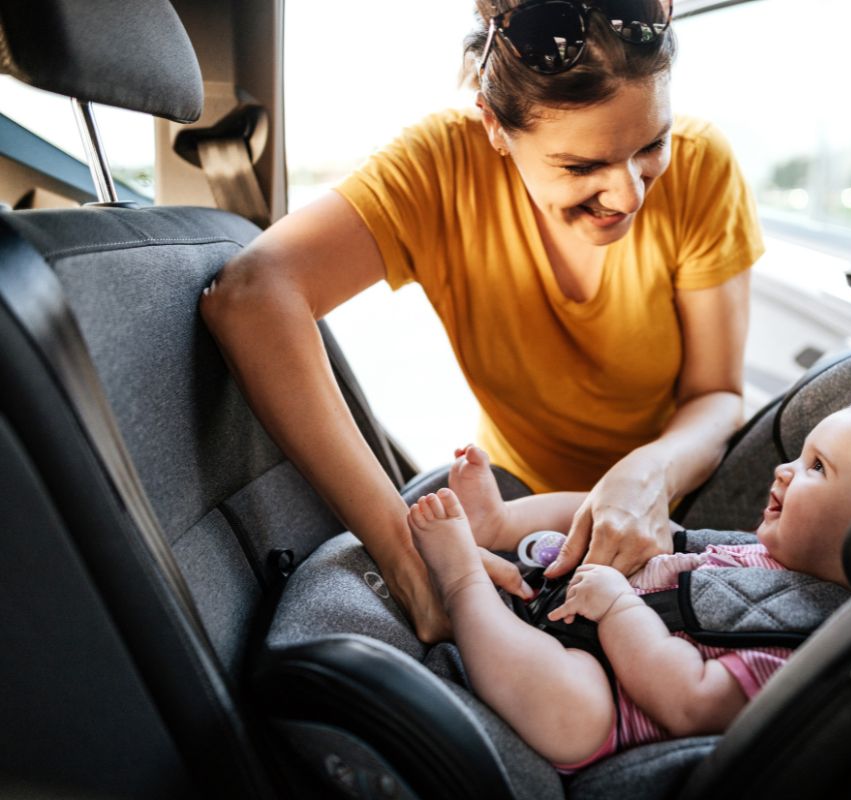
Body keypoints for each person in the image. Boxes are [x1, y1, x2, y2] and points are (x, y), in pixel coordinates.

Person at [200, 0, 763, 642]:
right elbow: (249, 296)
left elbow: (716, 396)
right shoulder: (441, 168)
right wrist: (403, 556)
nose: (630, 194)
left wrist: (649, 472)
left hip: (680, 494)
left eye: (651, 146)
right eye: (581, 166)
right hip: (518, 503)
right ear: (495, 127)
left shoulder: (704, 165)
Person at [407, 400, 851, 769]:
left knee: (573, 717)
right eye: (801, 456)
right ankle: (501, 524)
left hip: (613, 703)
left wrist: (619, 611)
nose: (784, 471)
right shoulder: (764, 554)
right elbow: (675, 552)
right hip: (586, 602)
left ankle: (459, 583)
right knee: (646, 521)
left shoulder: (810, 643)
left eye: (817, 469)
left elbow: (692, 701)